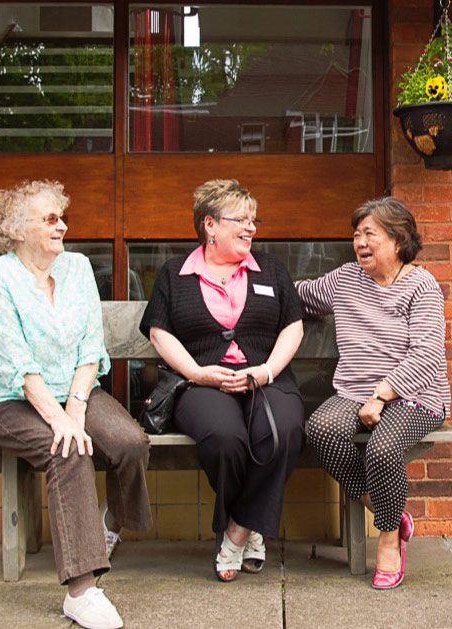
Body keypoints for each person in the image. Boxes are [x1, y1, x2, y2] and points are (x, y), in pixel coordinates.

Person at [0, 180, 152, 629]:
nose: (62, 226)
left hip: (73, 389)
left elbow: (92, 346)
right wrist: (62, 423)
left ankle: (106, 525)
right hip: (8, 399)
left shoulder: (77, 267)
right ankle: (82, 591)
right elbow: (17, 363)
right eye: (50, 219)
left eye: (62, 217)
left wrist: (75, 407)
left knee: (130, 443)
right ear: (16, 229)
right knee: (67, 450)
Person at [139, 179, 305, 582]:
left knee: (282, 429)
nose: (251, 227)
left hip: (267, 379)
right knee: (225, 438)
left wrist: (266, 371)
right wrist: (197, 373)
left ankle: (238, 530)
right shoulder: (174, 274)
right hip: (201, 384)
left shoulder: (271, 269)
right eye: (241, 220)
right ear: (209, 225)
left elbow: (293, 326)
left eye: (254, 220)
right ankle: (249, 525)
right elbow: (159, 331)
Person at [295, 197, 450, 590]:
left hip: (415, 395)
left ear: (398, 241)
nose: (360, 242)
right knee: (321, 430)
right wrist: (250, 281)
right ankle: (389, 510)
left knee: (383, 448)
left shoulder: (422, 286)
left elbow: (428, 354)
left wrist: (382, 395)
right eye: (356, 234)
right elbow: (301, 293)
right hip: (354, 391)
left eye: (370, 234)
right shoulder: (345, 279)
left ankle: (387, 540)